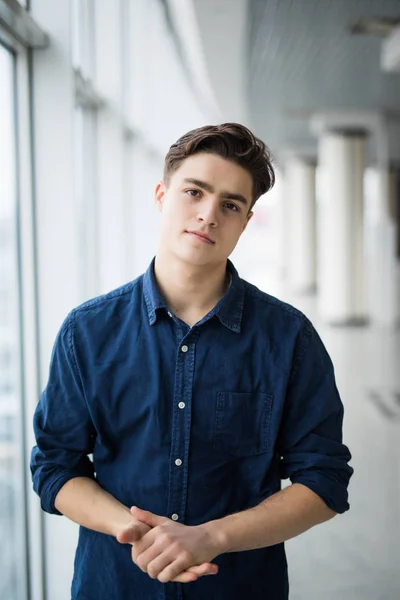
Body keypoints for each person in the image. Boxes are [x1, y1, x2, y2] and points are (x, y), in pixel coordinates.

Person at [31, 123, 353, 600]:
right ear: (162, 194)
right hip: (115, 586)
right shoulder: (88, 331)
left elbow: (324, 479)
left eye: (230, 205)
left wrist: (211, 537)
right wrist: (137, 533)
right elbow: (56, 467)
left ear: (245, 222)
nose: (207, 215)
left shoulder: (289, 338)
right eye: (194, 192)